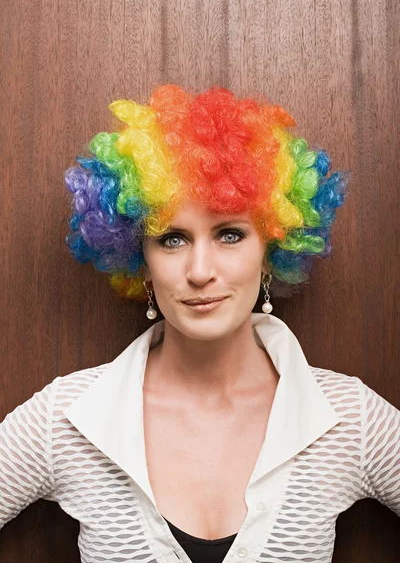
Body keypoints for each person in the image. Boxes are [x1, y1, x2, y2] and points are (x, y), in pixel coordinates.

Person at [1, 85, 399, 563]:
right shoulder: (68, 418)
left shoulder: (348, 420)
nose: (200, 270)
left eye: (230, 234)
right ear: (139, 259)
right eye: (172, 239)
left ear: (271, 250)